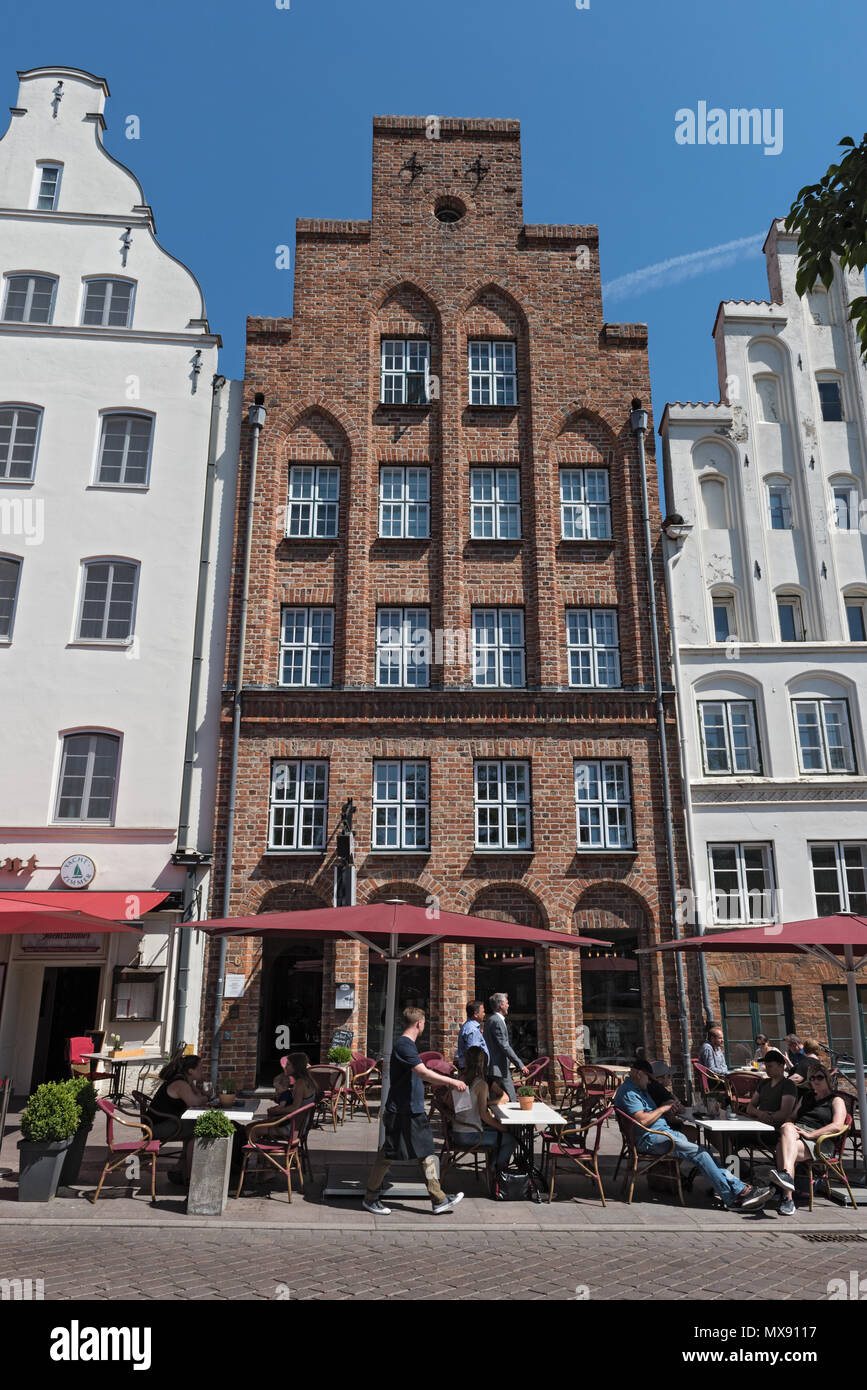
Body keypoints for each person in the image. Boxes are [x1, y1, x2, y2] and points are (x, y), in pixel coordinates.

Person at [614, 1058, 772, 1211]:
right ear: (638, 1073)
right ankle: (733, 1197)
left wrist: (667, 1112)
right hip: (651, 1138)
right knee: (701, 1155)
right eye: (649, 1079)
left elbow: (650, 1115)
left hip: (662, 1134)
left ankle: (740, 1190)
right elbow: (642, 1120)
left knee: (705, 1153)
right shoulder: (629, 1093)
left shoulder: (639, 1089)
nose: (650, 1083)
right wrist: (663, 1109)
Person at [363, 1007, 467, 1216]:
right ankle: (370, 1197)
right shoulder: (404, 1045)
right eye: (424, 1023)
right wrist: (452, 1082)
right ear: (419, 1023)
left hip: (410, 1109)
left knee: (425, 1150)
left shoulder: (406, 1046)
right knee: (389, 1154)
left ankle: (438, 1199)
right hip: (403, 1110)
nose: (424, 1026)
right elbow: (422, 1072)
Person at [769, 1064, 850, 1216]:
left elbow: (838, 1125)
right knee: (787, 1127)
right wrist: (789, 1123)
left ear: (827, 1079)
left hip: (820, 1141)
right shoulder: (806, 1097)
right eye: (812, 1078)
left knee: (781, 1148)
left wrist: (812, 1135)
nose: (815, 1081)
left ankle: (787, 1196)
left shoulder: (836, 1099)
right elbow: (792, 1117)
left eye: (819, 1077)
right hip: (797, 1134)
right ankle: (786, 1185)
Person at [146, 1054, 211, 1183]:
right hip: (158, 1127)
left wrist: (200, 1085)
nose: (203, 1071)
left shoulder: (185, 1081)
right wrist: (207, 1097)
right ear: (190, 1071)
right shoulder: (180, 1083)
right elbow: (194, 1102)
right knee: (198, 1130)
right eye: (200, 1068)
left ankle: (181, 1169)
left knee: (194, 1126)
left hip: (162, 1123)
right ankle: (190, 1176)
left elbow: (197, 1097)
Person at [450, 1045, 515, 1171]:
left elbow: (453, 1104)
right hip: (471, 1134)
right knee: (510, 1139)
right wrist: (504, 1128)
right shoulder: (481, 1084)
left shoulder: (459, 1079)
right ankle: (496, 1169)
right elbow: (484, 1116)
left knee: (498, 1135)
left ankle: (493, 1167)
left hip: (457, 1131)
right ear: (483, 1064)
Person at [484, 992, 528, 1101]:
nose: (508, 1005)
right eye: (507, 1003)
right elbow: (504, 1045)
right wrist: (520, 1064)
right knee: (511, 1098)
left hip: (496, 1067)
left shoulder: (492, 1020)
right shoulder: (497, 1021)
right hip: (499, 1067)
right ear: (501, 1005)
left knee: (497, 1099)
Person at [744, 1048, 798, 1129]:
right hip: (758, 1123)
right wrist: (761, 1114)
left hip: (774, 1128)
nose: (767, 1069)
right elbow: (749, 1107)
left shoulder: (788, 1085)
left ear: (781, 1066)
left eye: (770, 1066)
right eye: (766, 1066)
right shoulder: (764, 1082)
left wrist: (765, 1117)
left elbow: (785, 1113)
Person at [456, 1000, 489, 1071]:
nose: (484, 1014)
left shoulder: (469, 1026)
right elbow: (473, 1054)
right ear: (475, 1014)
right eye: (482, 1012)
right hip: (473, 1071)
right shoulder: (472, 1030)